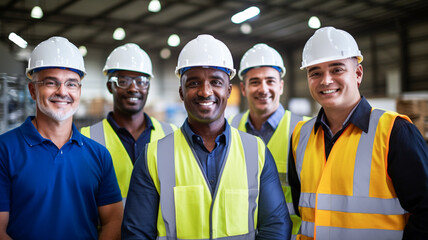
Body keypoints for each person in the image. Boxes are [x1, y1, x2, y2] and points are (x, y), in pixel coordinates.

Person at [122, 34, 292, 239]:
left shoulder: (256, 151)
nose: (205, 92)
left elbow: (276, 226)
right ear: (181, 92)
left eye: (216, 82)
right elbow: (136, 234)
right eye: (194, 83)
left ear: (229, 90)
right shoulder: (153, 156)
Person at [288, 26, 428, 239]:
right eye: (315, 72)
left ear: (358, 73)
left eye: (337, 69)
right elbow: (304, 210)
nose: (325, 80)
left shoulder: (394, 132)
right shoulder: (300, 136)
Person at [0, 36, 123, 240]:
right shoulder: (5, 150)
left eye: (71, 84)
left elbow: (114, 221)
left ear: (79, 91)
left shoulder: (99, 155)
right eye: (51, 82)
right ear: (32, 90)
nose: (62, 92)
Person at [81, 43, 176, 205]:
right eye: (123, 81)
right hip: (108, 230)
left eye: (141, 81)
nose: (133, 88)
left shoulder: (171, 134)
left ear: (148, 87)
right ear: (109, 86)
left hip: (160, 231)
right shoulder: (86, 138)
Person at [229, 43, 308, 239]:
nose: (263, 89)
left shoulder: (306, 131)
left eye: (270, 81)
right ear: (244, 88)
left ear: (280, 86)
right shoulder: (228, 129)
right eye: (255, 82)